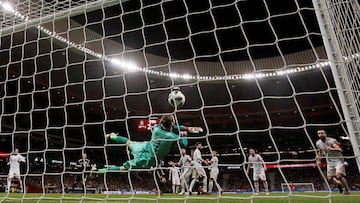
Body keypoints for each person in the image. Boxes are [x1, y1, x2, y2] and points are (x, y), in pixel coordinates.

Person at [100, 114, 203, 171]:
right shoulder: (172, 136)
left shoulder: (157, 128)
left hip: (144, 146)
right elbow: (184, 144)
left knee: (129, 142)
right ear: (172, 123)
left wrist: (188, 128)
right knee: (125, 168)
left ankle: (111, 136)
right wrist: (185, 133)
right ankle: (102, 170)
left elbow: (175, 127)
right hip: (149, 158)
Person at [316, 129, 350, 194]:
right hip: (329, 162)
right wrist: (319, 160)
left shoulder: (332, 141)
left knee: (339, 176)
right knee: (330, 179)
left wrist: (332, 148)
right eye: (319, 133)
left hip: (338, 160)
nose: (320, 134)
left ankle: (347, 189)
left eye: (322, 133)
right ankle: (338, 183)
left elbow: (340, 149)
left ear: (325, 134)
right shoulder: (318, 143)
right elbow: (320, 152)